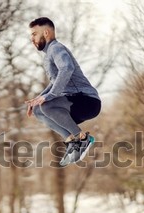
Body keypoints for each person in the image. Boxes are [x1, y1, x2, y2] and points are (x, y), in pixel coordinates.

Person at [25, 17, 101, 166]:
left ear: (46, 33)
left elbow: (67, 68)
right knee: (38, 110)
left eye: (34, 34)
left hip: (87, 100)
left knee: (47, 106)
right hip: (75, 102)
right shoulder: (48, 55)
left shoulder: (56, 48)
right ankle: (72, 142)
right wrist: (39, 98)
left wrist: (50, 96)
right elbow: (54, 81)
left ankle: (83, 138)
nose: (31, 38)